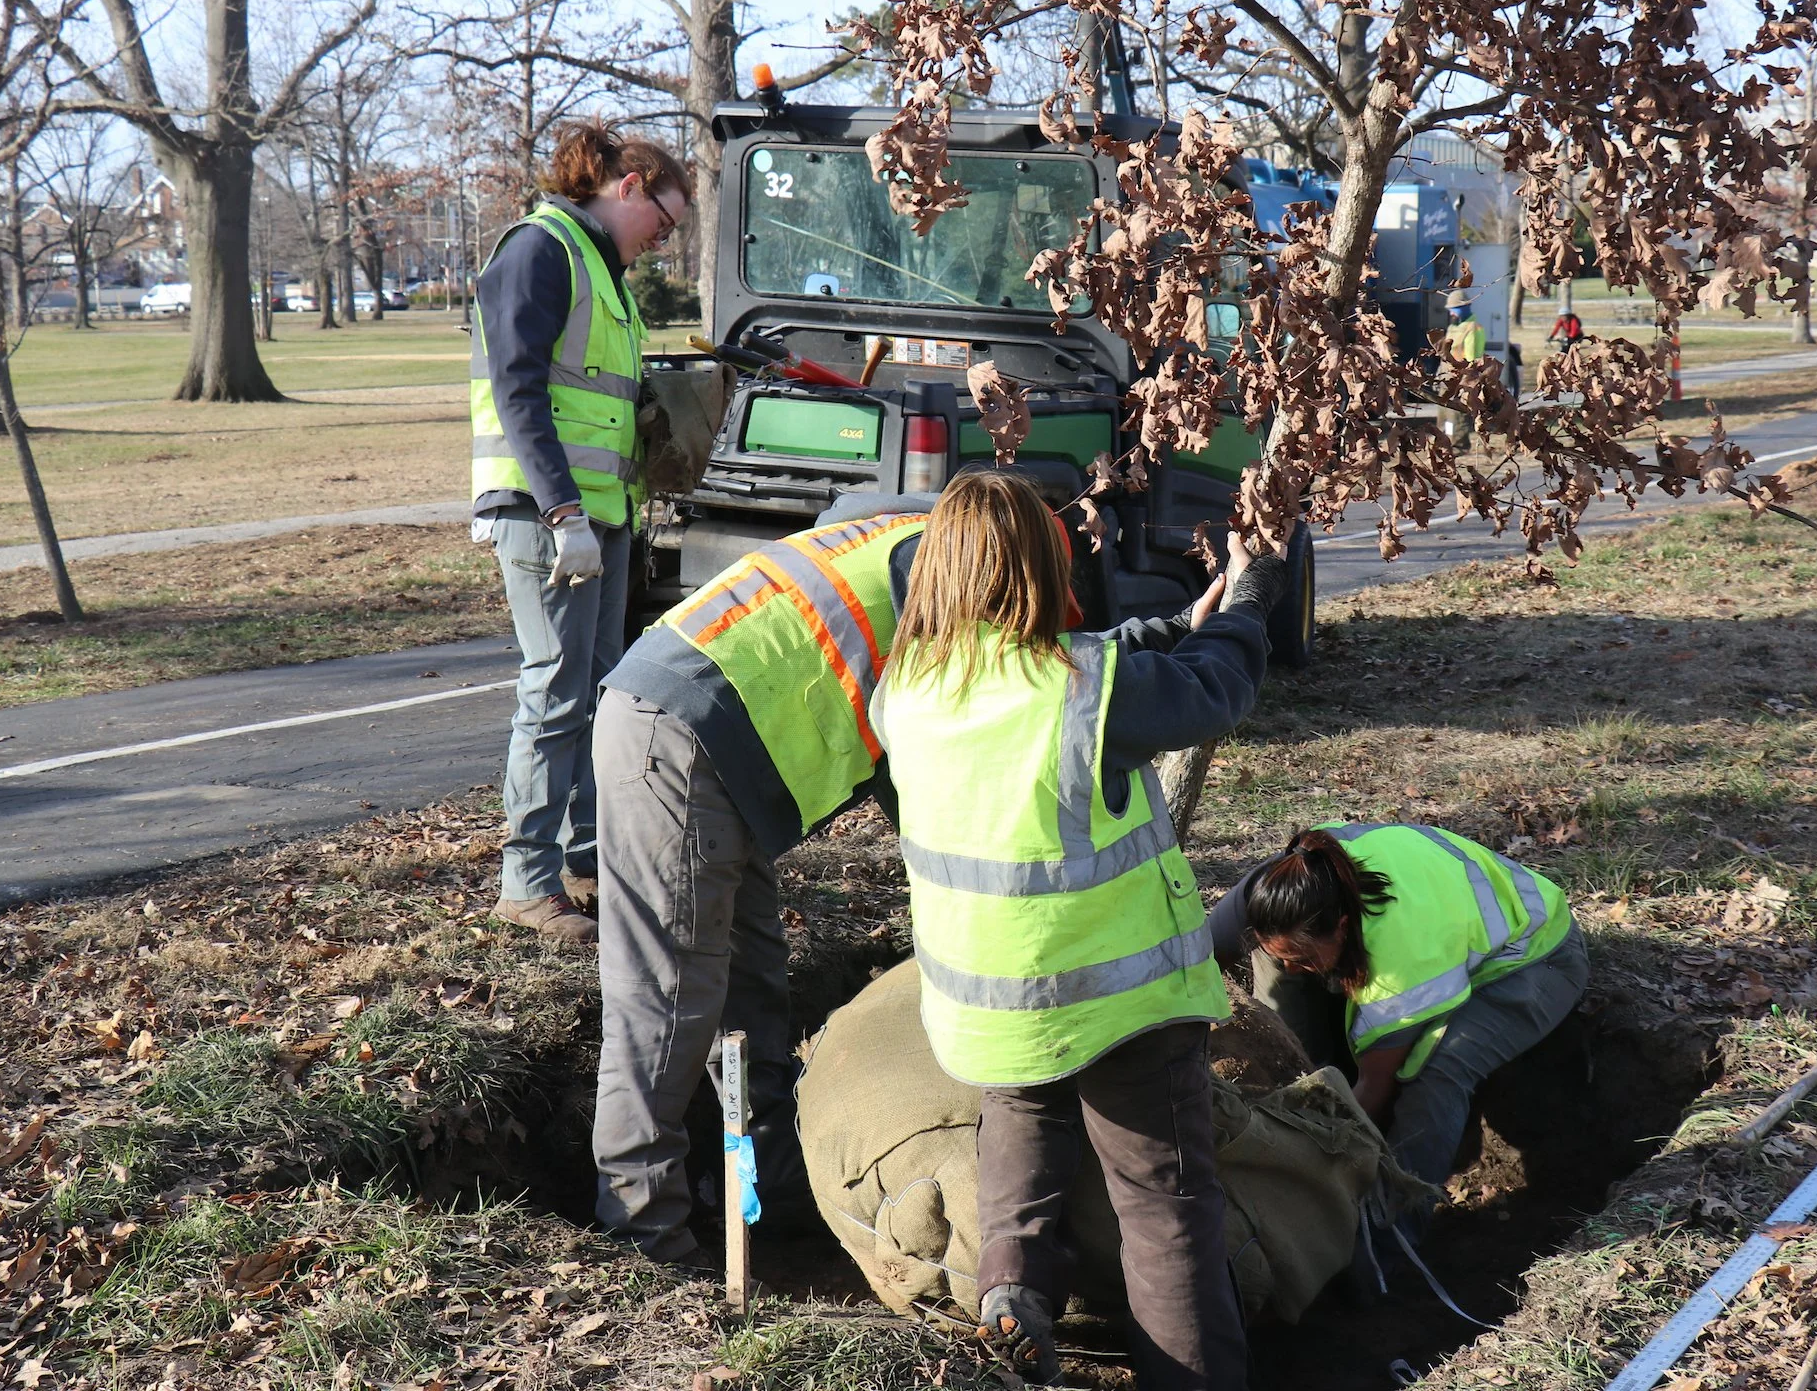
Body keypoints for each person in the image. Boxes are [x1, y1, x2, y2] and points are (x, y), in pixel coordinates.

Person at [871, 470, 1286, 1391]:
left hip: (991, 1007)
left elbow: (1057, 669)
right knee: (1165, 1209)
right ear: (1037, 567)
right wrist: (1252, 594)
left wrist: (1169, 627)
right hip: (1120, 1003)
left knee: (1019, 1134)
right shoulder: (1086, 691)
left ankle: (1010, 1297)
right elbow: (1213, 692)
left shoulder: (906, 688)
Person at [586, 494, 934, 1263]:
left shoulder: (895, 522)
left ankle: (766, 1190)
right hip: (675, 737)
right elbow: (926, 751)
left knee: (751, 987)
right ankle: (640, 1228)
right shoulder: (936, 568)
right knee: (669, 997)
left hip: (707, 738)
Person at [470, 122, 690, 943]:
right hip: (547, 515)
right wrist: (563, 514)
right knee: (555, 691)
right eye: (661, 223)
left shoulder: (605, 270)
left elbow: (597, 399)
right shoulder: (540, 249)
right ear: (628, 186)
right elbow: (519, 391)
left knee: (600, 695)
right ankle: (526, 883)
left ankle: (592, 863)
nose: (660, 243)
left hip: (601, 516)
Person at [1208, 823, 1586, 1219]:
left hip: (1536, 953)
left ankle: (1397, 1221)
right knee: (1283, 970)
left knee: (1437, 1070)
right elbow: (1202, 957)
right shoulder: (1289, 880)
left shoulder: (1399, 973)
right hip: (1451, 918)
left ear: (1341, 927)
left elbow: (1375, 1089)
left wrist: (1326, 1171)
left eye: (1302, 958)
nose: (1293, 968)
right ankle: (1307, 1098)